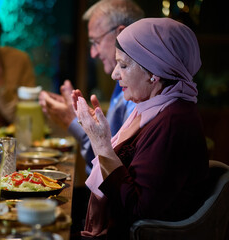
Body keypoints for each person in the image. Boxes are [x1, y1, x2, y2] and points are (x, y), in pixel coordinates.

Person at [72, 18, 209, 240]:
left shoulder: (173, 121)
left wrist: (102, 145)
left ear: (154, 72)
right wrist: (97, 137)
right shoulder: (154, 109)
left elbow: (137, 211)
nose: (114, 74)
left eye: (124, 65)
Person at [39, 0, 143, 175]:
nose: (93, 53)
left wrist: (72, 121)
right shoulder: (122, 85)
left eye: (95, 42)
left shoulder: (141, 90)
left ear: (121, 34)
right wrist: (79, 114)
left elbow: (114, 167)